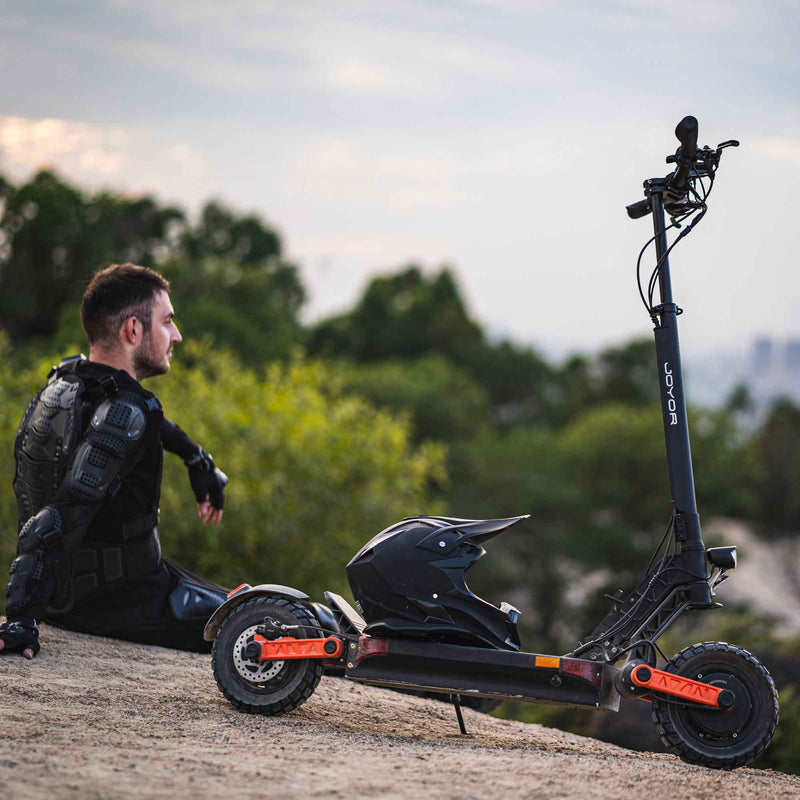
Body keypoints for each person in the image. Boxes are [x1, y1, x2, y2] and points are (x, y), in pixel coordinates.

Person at [0, 263, 230, 658]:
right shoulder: (125, 410)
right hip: (124, 602)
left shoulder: (66, 383)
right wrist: (21, 617)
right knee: (281, 619)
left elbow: (145, 419)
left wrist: (197, 459)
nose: (177, 335)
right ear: (133, 331)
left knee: (248, 602)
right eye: (167, 321)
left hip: (73, 597)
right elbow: (58, 517)